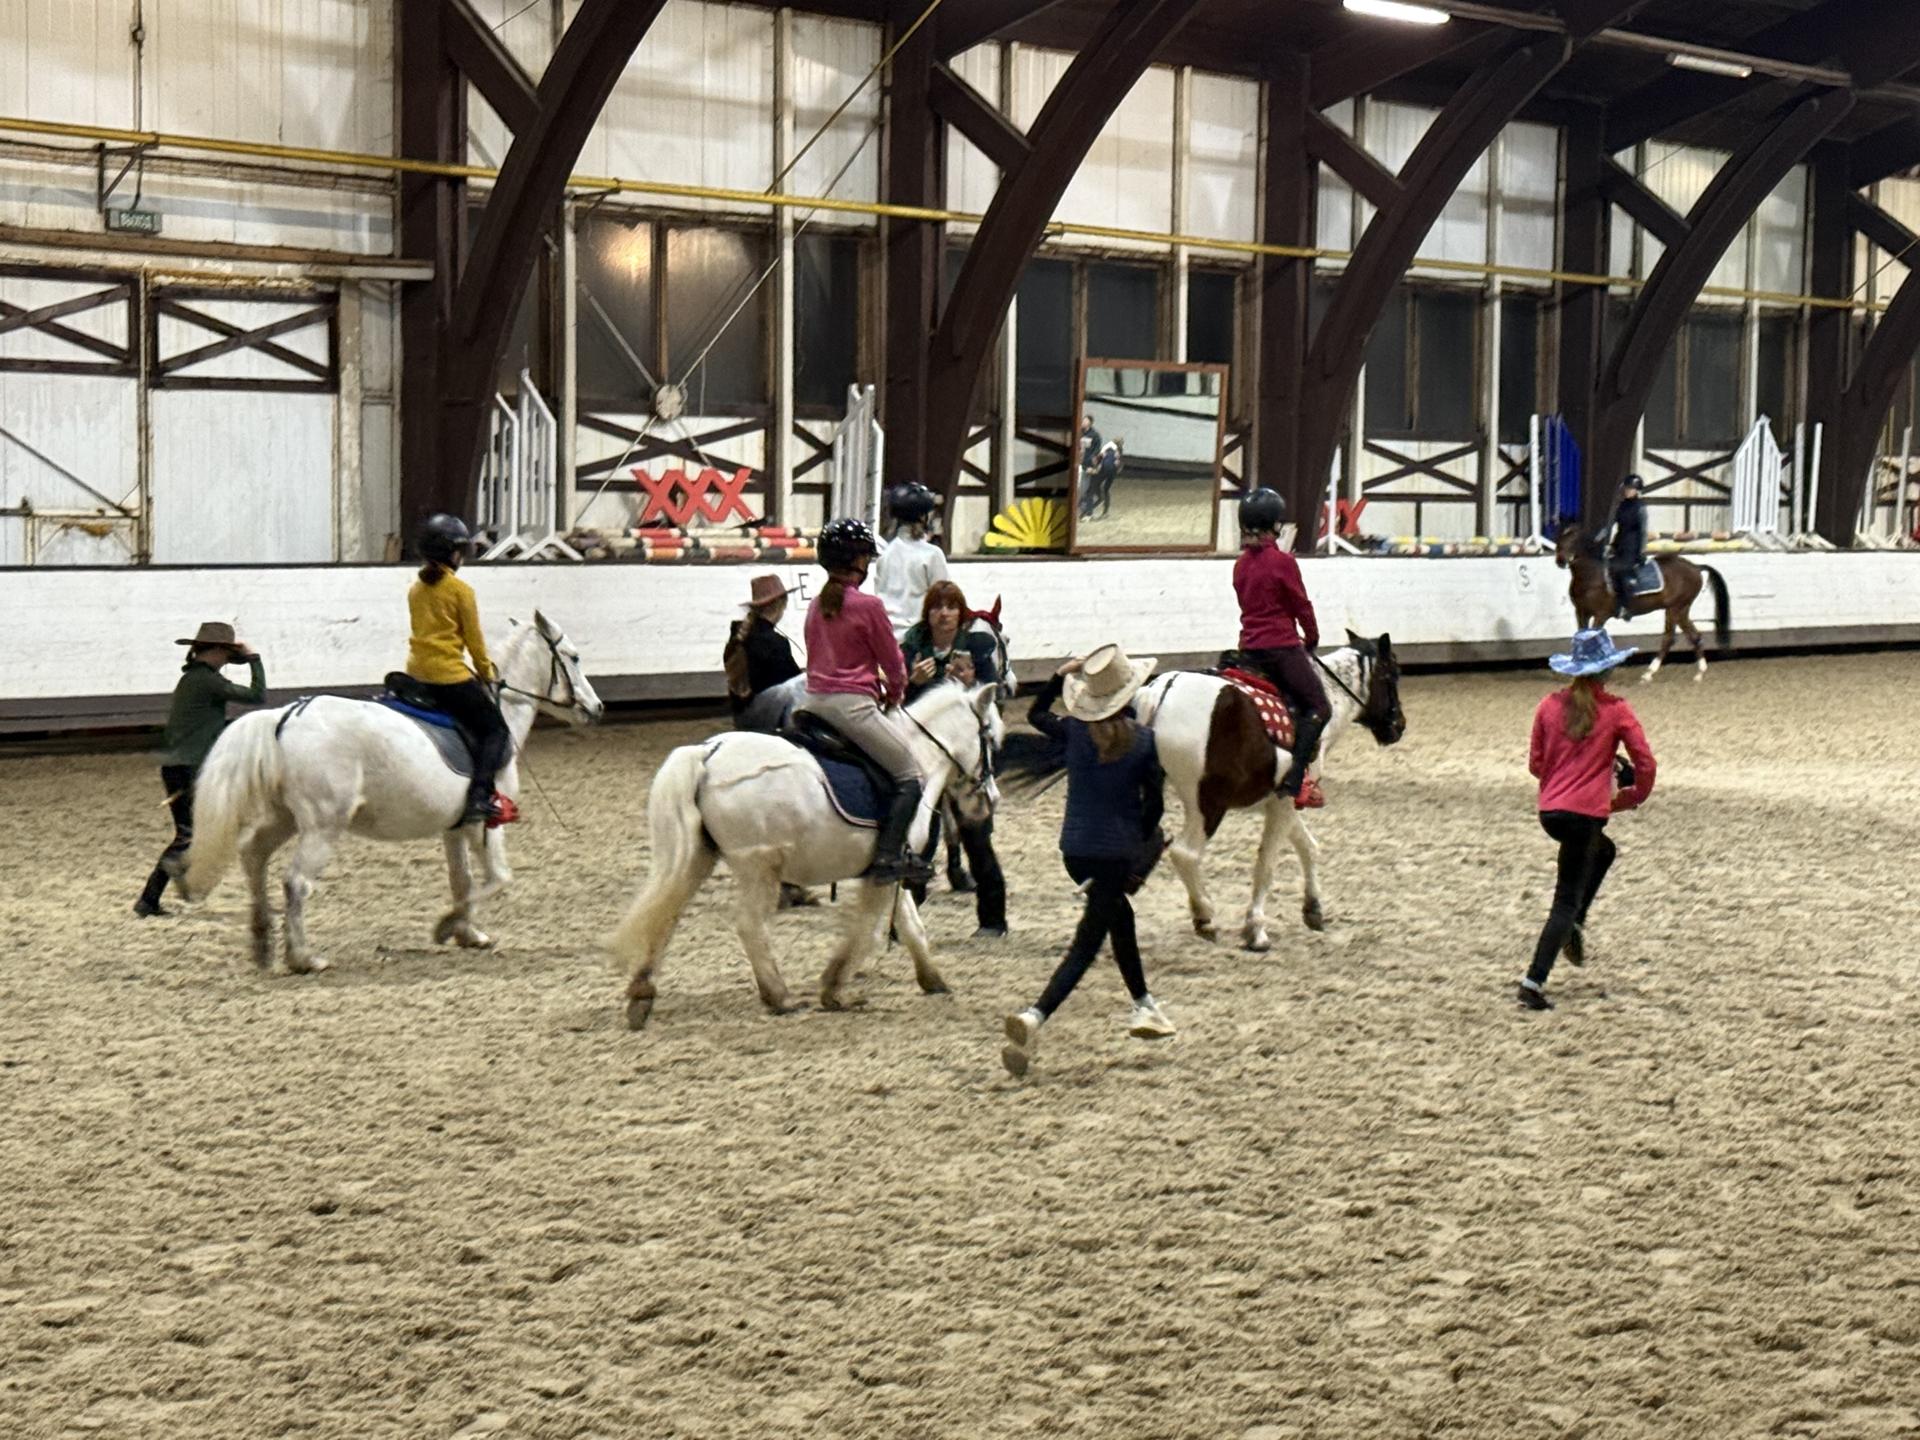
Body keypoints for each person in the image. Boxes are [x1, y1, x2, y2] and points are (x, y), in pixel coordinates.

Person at [1001, 644, 1174, 1079]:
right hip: (1115, 854)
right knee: (1085, 945)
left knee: (1120, 918)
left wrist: (1060, 675)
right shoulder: (1144, 742)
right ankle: (1035, 1016)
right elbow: (1154, 807)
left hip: (1074, 852)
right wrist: (1141, 842)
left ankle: (1145, 1006)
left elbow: (1037, 714)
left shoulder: (1075, 731)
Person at [1519, 628, 1657, 1011]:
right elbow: (1644, 762)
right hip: (1585, 814)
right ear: (1607, 671)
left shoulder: (1548, 705)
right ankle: (1533, 982)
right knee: (1564, 899)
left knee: (1604, 851)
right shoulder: (1616, 710)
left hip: (1551, 812)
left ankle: (1575, 924)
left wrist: (1563, 779)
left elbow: (1536, 764)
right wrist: (1632, 796)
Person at [793, 516, 928, 885]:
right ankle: (887, 857)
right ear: (857, 562)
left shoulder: (816, 604)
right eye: (866, 559)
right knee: (911, 776)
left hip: (811, 703)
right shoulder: (868, 606)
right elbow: (894, 664)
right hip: (851, 708)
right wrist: (895, 692)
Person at [135, 622, 267, 917]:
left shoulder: (194, 679)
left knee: (189, 833)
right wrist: (254, 660)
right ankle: (158, 893)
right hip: (190, 767)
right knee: (189, 834)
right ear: (219, 651)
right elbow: (258, 695)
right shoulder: (208, 682)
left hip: (178, 765)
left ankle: (161, 892)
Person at [901, 579, 1006, 935]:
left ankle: (993, 920)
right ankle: (906, 917)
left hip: (964, 759)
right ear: (927, 613)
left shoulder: (977, 646)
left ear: (961, 614)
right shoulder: (911, 647)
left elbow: (993, 702)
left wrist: (970, 683)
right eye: (936, 606)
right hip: (927, 756)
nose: (943, 614)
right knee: (920, 837)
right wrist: (911, 682)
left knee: (977, 838)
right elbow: (899, 707)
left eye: (950, 607)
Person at [406, 513, 514, 828]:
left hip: (415, 672)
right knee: (496, 730)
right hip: (447, 677)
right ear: (453, 553)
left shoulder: (415, 590)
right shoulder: (460, 590)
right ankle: (480, 796)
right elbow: (474, 641)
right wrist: (487, 672)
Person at [1231, 486, 1330, 808]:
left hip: (1248, 649)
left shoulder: (1240, 565)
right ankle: (1294, 777)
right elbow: (1301, 605)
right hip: (1280, 648)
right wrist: (1311, 638)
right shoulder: (1283, 562)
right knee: (1318, 707)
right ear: (1274, 524)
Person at [725, 573, 804, 732]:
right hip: (760, 716)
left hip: (741, 714)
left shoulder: (740, 636)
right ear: (780, 604)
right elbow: (791, 679)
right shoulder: (773, 642)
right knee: (801, 684)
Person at [871, 482, 949, 644]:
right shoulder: (932, 554)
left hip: (886, 638)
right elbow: (944, 598)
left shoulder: (886, 554)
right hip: (917, 639)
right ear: (923, 517)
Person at [1609, 475, 1647, 620]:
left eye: (1630, 489)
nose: (1627, 491)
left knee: (1622, 571)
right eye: (1626, 488)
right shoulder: (1621, 506)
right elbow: (1615, 527)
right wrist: (1610, 544)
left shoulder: (1640, 508)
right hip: (1620, 543)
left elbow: (1643, 530)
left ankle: (1626, 607)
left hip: (1632, 546)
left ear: (1637, 491)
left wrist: (1642, 551)